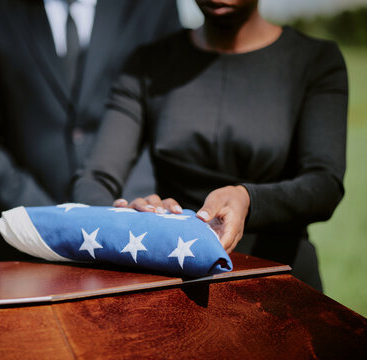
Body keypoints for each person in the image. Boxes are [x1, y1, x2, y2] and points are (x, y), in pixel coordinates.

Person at [73, 0, 348, 291]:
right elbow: (95, 177)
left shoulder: (315, 61)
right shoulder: (148, 64)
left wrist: (248, 200)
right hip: (174, 282)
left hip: (281, 279)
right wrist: (129, 216)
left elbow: (324, 183)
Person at [0, 0, 181, 262]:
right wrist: (48, 218)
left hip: (133, 237)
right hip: (20, 244)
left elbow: (169, 116)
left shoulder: (154, 6)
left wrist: (125, 211)